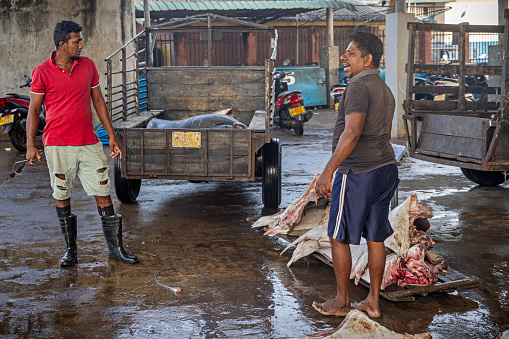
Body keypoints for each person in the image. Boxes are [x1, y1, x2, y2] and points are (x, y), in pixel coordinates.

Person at [26, 20, 138, 266]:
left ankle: (115, 250)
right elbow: (33, 111)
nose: (81, 45)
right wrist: (30, 145)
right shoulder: (41, 72)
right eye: (77, 41)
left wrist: (111, 135)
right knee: (62, 195)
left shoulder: (87, 65)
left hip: (89, 142)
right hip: (57, 144)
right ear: (62, 44)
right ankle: (71, 251)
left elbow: (98, 102)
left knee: (102, 192)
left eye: (80, 40)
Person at [312, 31, 398, 318]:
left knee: (338, 236)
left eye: (350, 53)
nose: (344, 57)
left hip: (358, 171)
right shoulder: (384, 89)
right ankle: (373, 302)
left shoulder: (358, 87)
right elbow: (383, 134)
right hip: (385, 169)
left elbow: (352, 132)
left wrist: (328, 171)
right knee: (376, 237)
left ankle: (341, 302)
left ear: (367, 58)